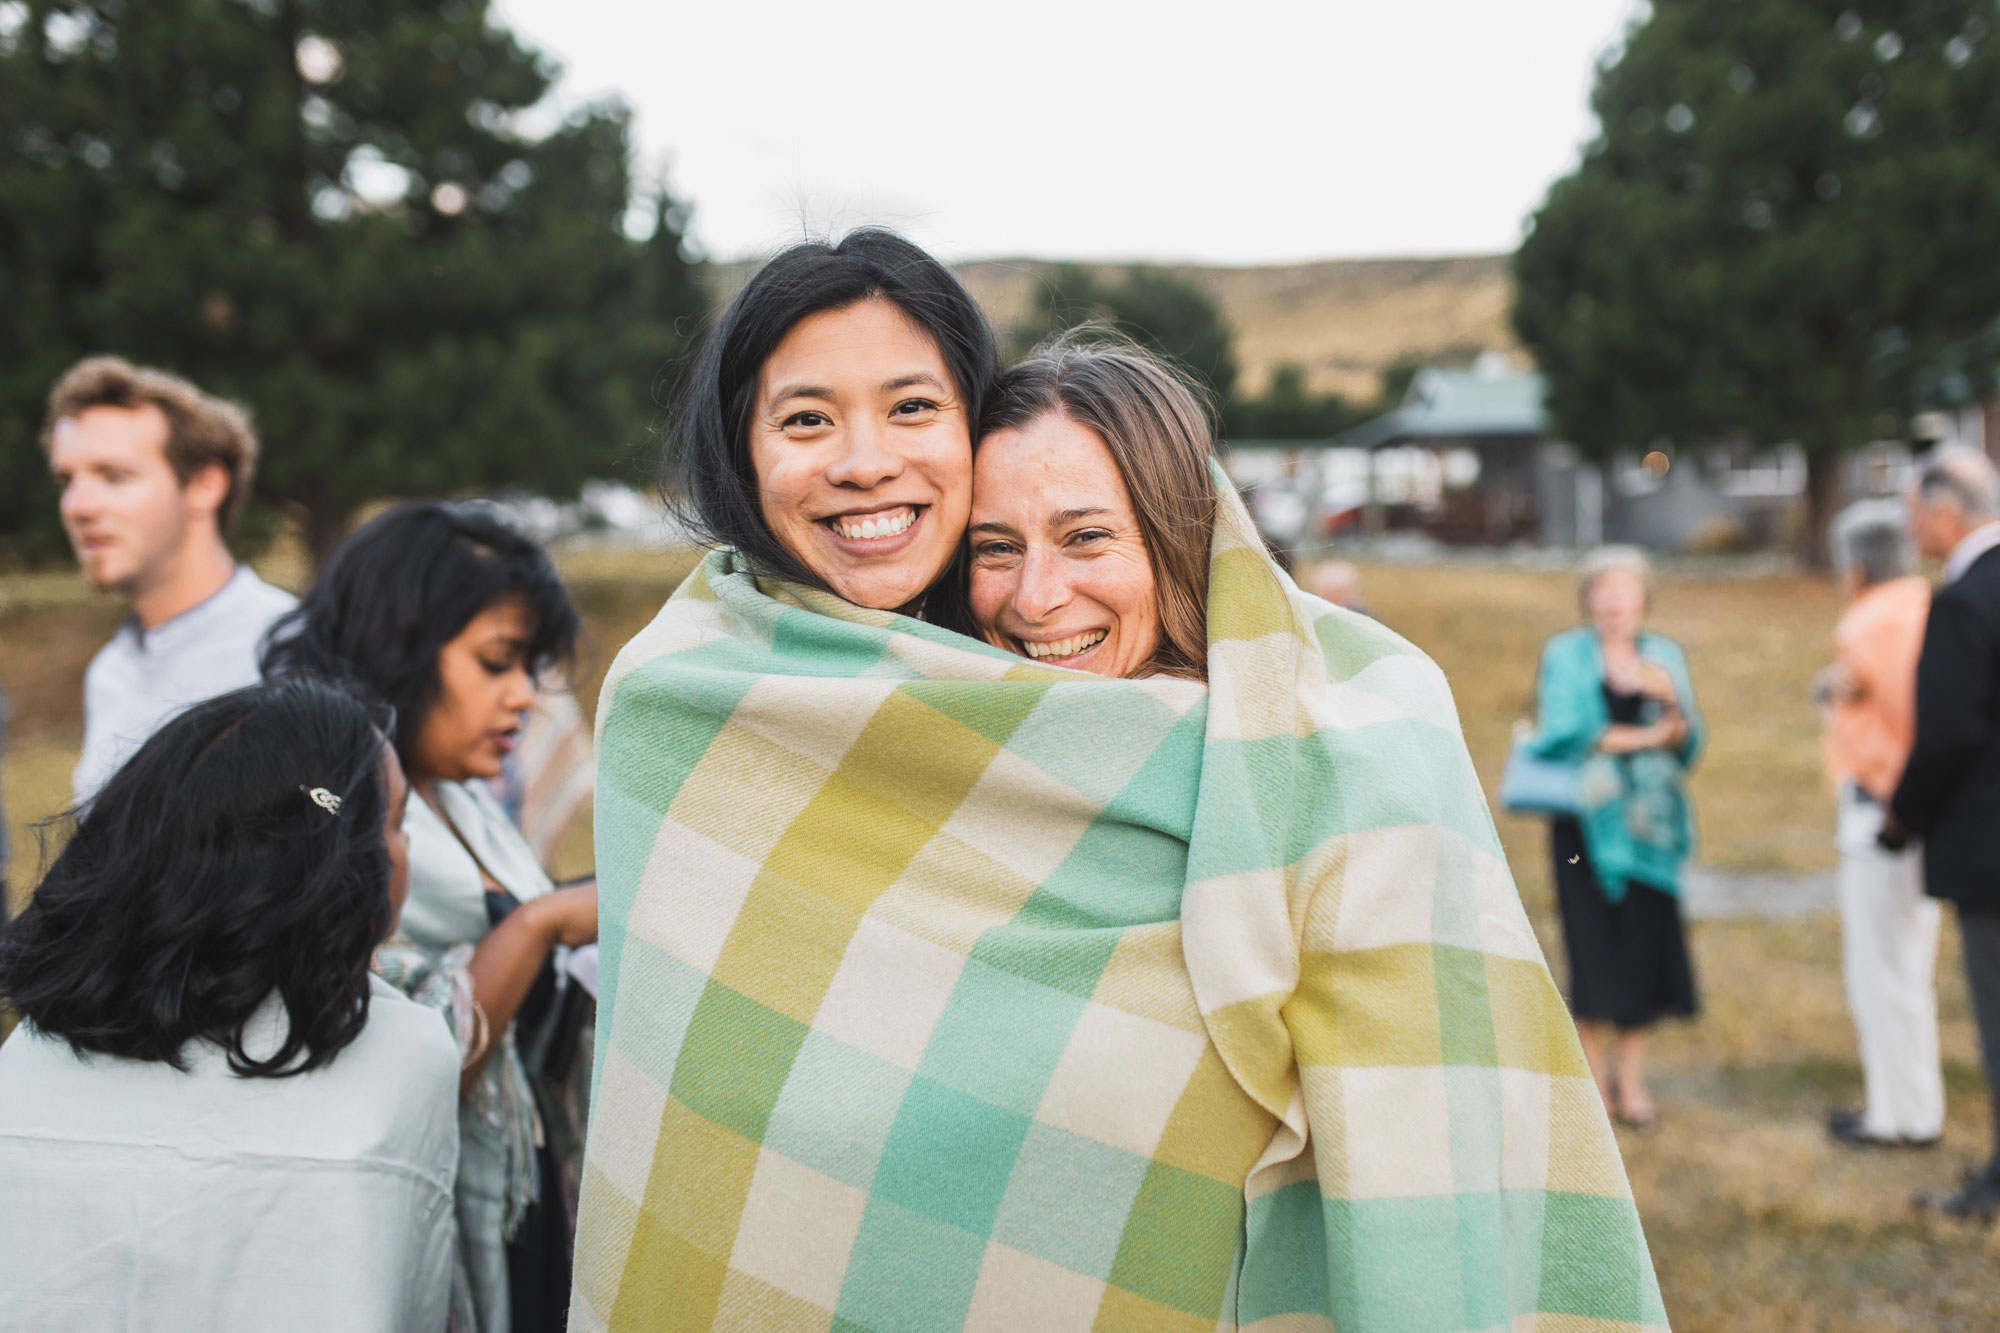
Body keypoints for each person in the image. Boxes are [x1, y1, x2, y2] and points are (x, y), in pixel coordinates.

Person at [576, 306, 1664, 1330]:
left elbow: (1450, 1144)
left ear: (1182, 542)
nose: (1034, 596)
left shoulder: (1352, 759)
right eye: (992, 548)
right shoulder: (905, 759)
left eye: (1087, 537)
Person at [0, 679, 460, 1332]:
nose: (405, 850)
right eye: (397, 823)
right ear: (346, 863)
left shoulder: (30, 1053)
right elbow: (411, 1295)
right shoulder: (403, 1057)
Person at [264, 502, 598, 1332]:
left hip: (524, 1194)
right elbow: (385, 1074)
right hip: (424, 1226)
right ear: (399, 650)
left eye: (529, 663)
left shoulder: (458, 801)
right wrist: (538, 926)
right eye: (496, 661)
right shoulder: (316, 818)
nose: (524, 694)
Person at [42, 356, 297, 803]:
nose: (76, 507)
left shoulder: (290, 652)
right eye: (67, 480)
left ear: (204, 485)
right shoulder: (110, 672)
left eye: (114, 476)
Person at [1523, 546, 1703, 1130]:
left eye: (1623, 591)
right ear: (1588, 599)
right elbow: (1563, 731)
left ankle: (1632, 1082)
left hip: (1651, 829)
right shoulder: (1568, 653)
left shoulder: (1663, 655)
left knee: (1643, 952)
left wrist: (1671, 707)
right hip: (1583, 831)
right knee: (1592, 950)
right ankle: (1594, 1087)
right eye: (1601, 591)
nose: (1612, 602)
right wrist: (1645, 737)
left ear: (1643, 599)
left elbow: (1690, 743)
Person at [1884, 448, 2000, 1220]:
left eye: (1911, 510)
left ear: (1944, 511)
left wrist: (1904, 814)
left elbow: (1950, 731)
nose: (1907, 525)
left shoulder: (1966, 597)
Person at [1818, 500, 1941, 1148]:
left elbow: (1913, 716)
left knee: (1881, 969)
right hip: (1921, 808)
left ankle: (1901, 1116)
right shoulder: (1925, 605)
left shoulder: (1874, 622)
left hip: (1884, 808)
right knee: (1908, 964)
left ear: (1857, 565)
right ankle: (1908, 1102)